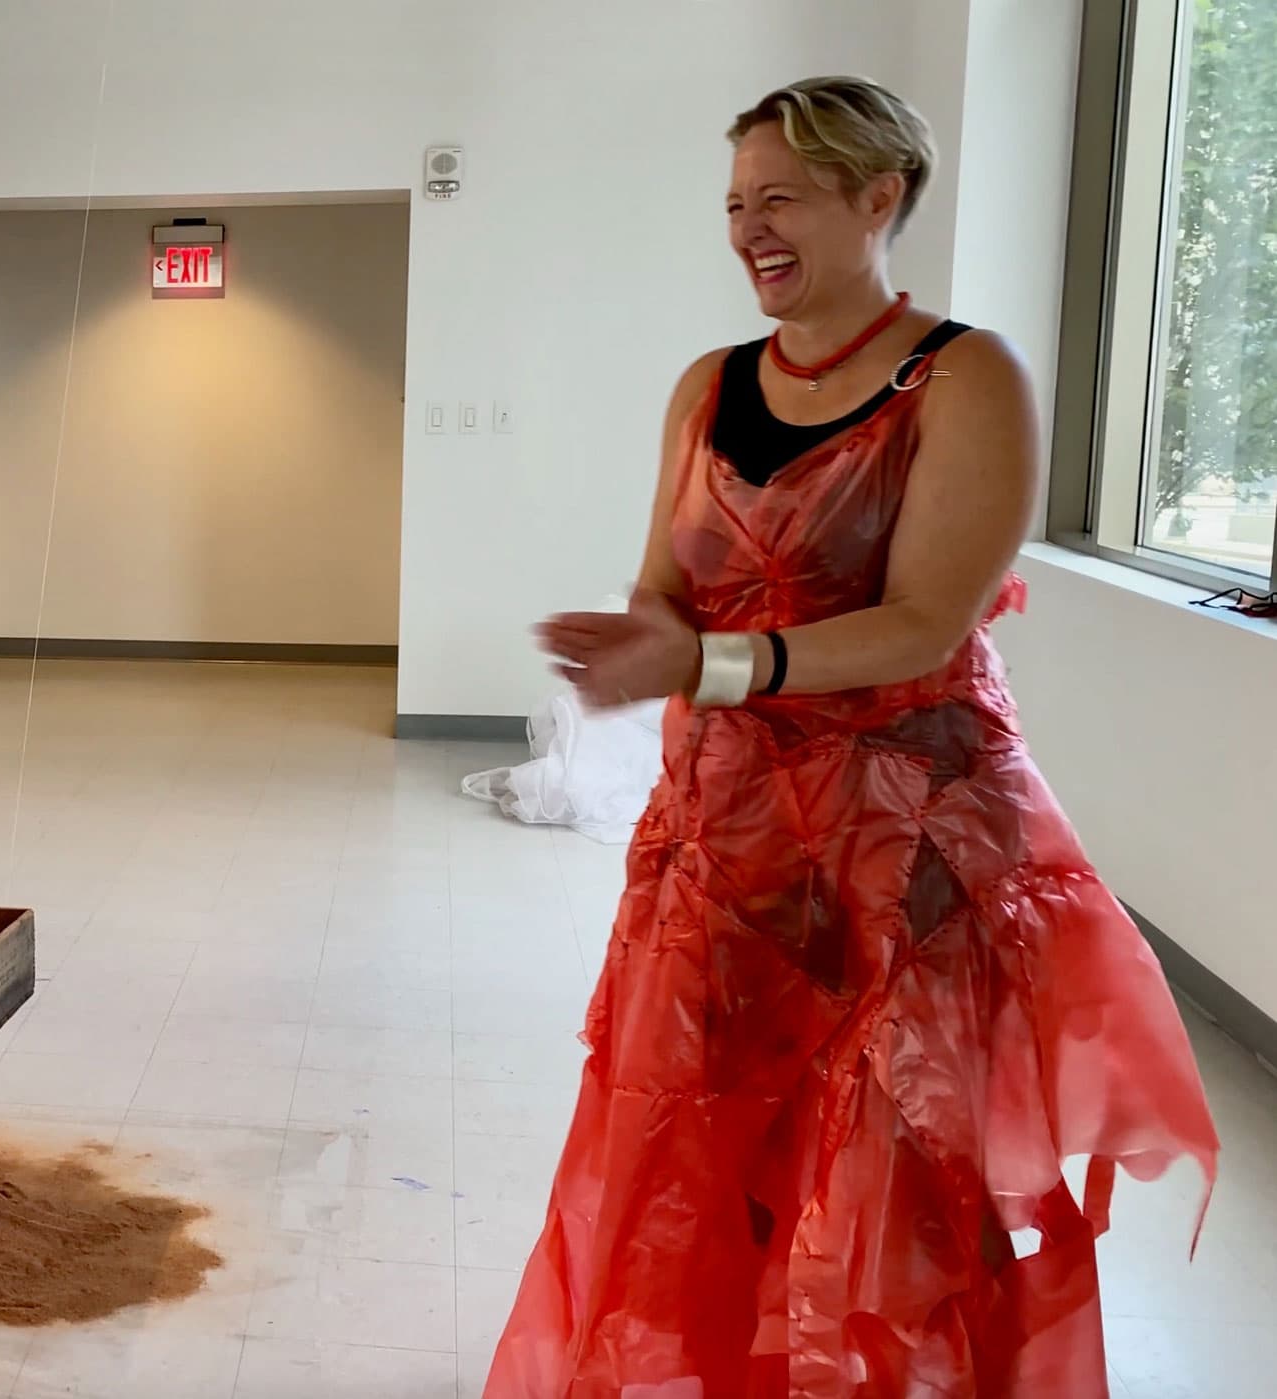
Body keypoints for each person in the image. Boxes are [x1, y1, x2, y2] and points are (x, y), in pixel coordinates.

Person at [496, 78, 1219, 1395]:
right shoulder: (708, 387)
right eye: (734, 205)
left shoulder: (968, 377)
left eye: (781, 199)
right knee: (712, 1157)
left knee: (895, 1175)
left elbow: (924, 626)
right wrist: (638, 638)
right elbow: (665, 577)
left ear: (877, 197)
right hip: (726, 848)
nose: (749, 230)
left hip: (908, 861)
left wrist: (709, 661)